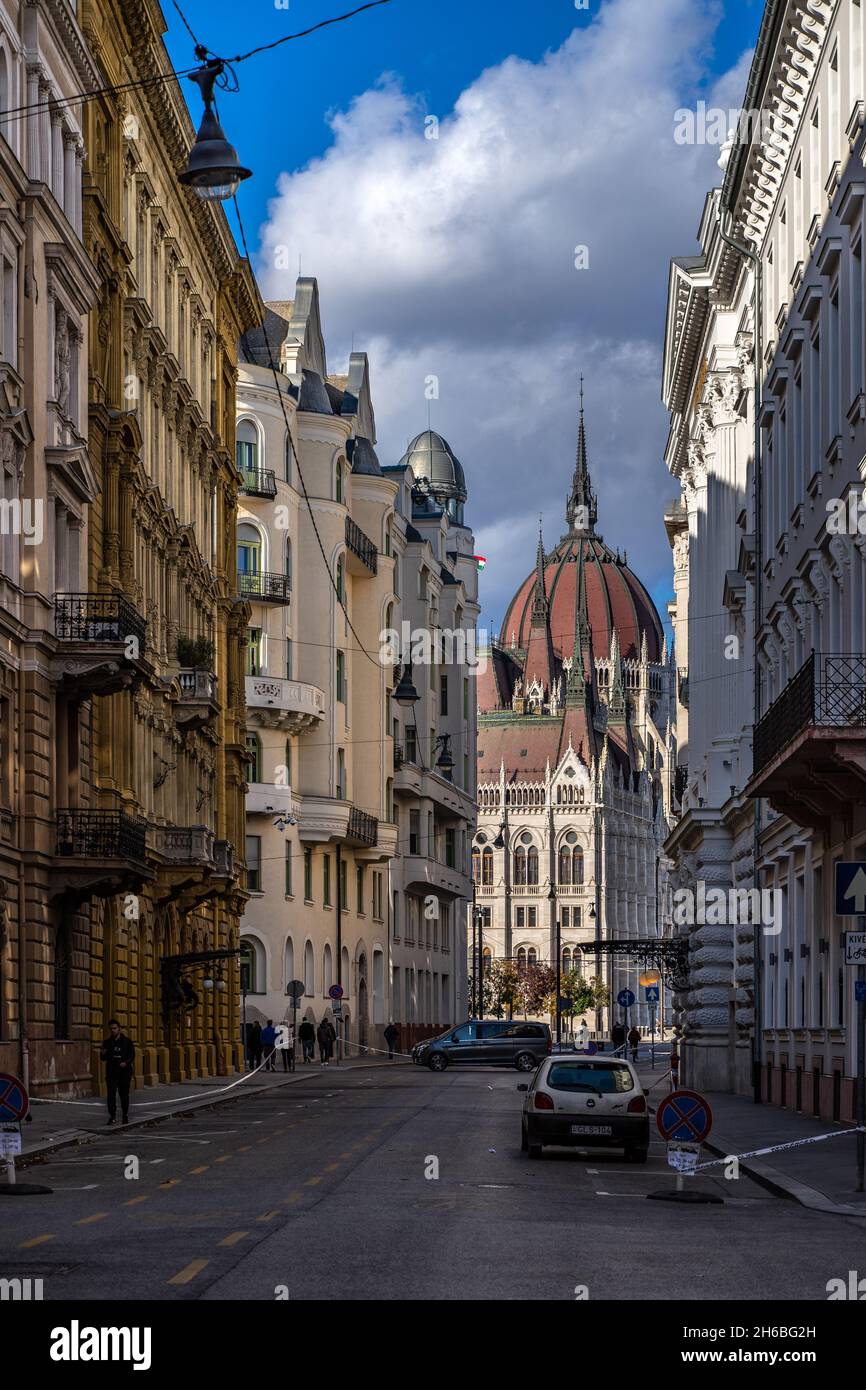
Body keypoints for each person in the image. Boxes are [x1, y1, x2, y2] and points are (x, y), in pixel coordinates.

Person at [100, 1019, 134, 1126]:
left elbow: (132, 1055)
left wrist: (126, 1063)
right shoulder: (107, 1042)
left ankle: (125, 1115)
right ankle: (112, 1116)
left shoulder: (127, 1041)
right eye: (111, 1029)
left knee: (124, 1095)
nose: (113, 1030)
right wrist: (103, 1053)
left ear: (119, 1028)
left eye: (114, 1028)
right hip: (111, 1072)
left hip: (124, 1073)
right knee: (111, 1095)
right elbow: (103, 1058)